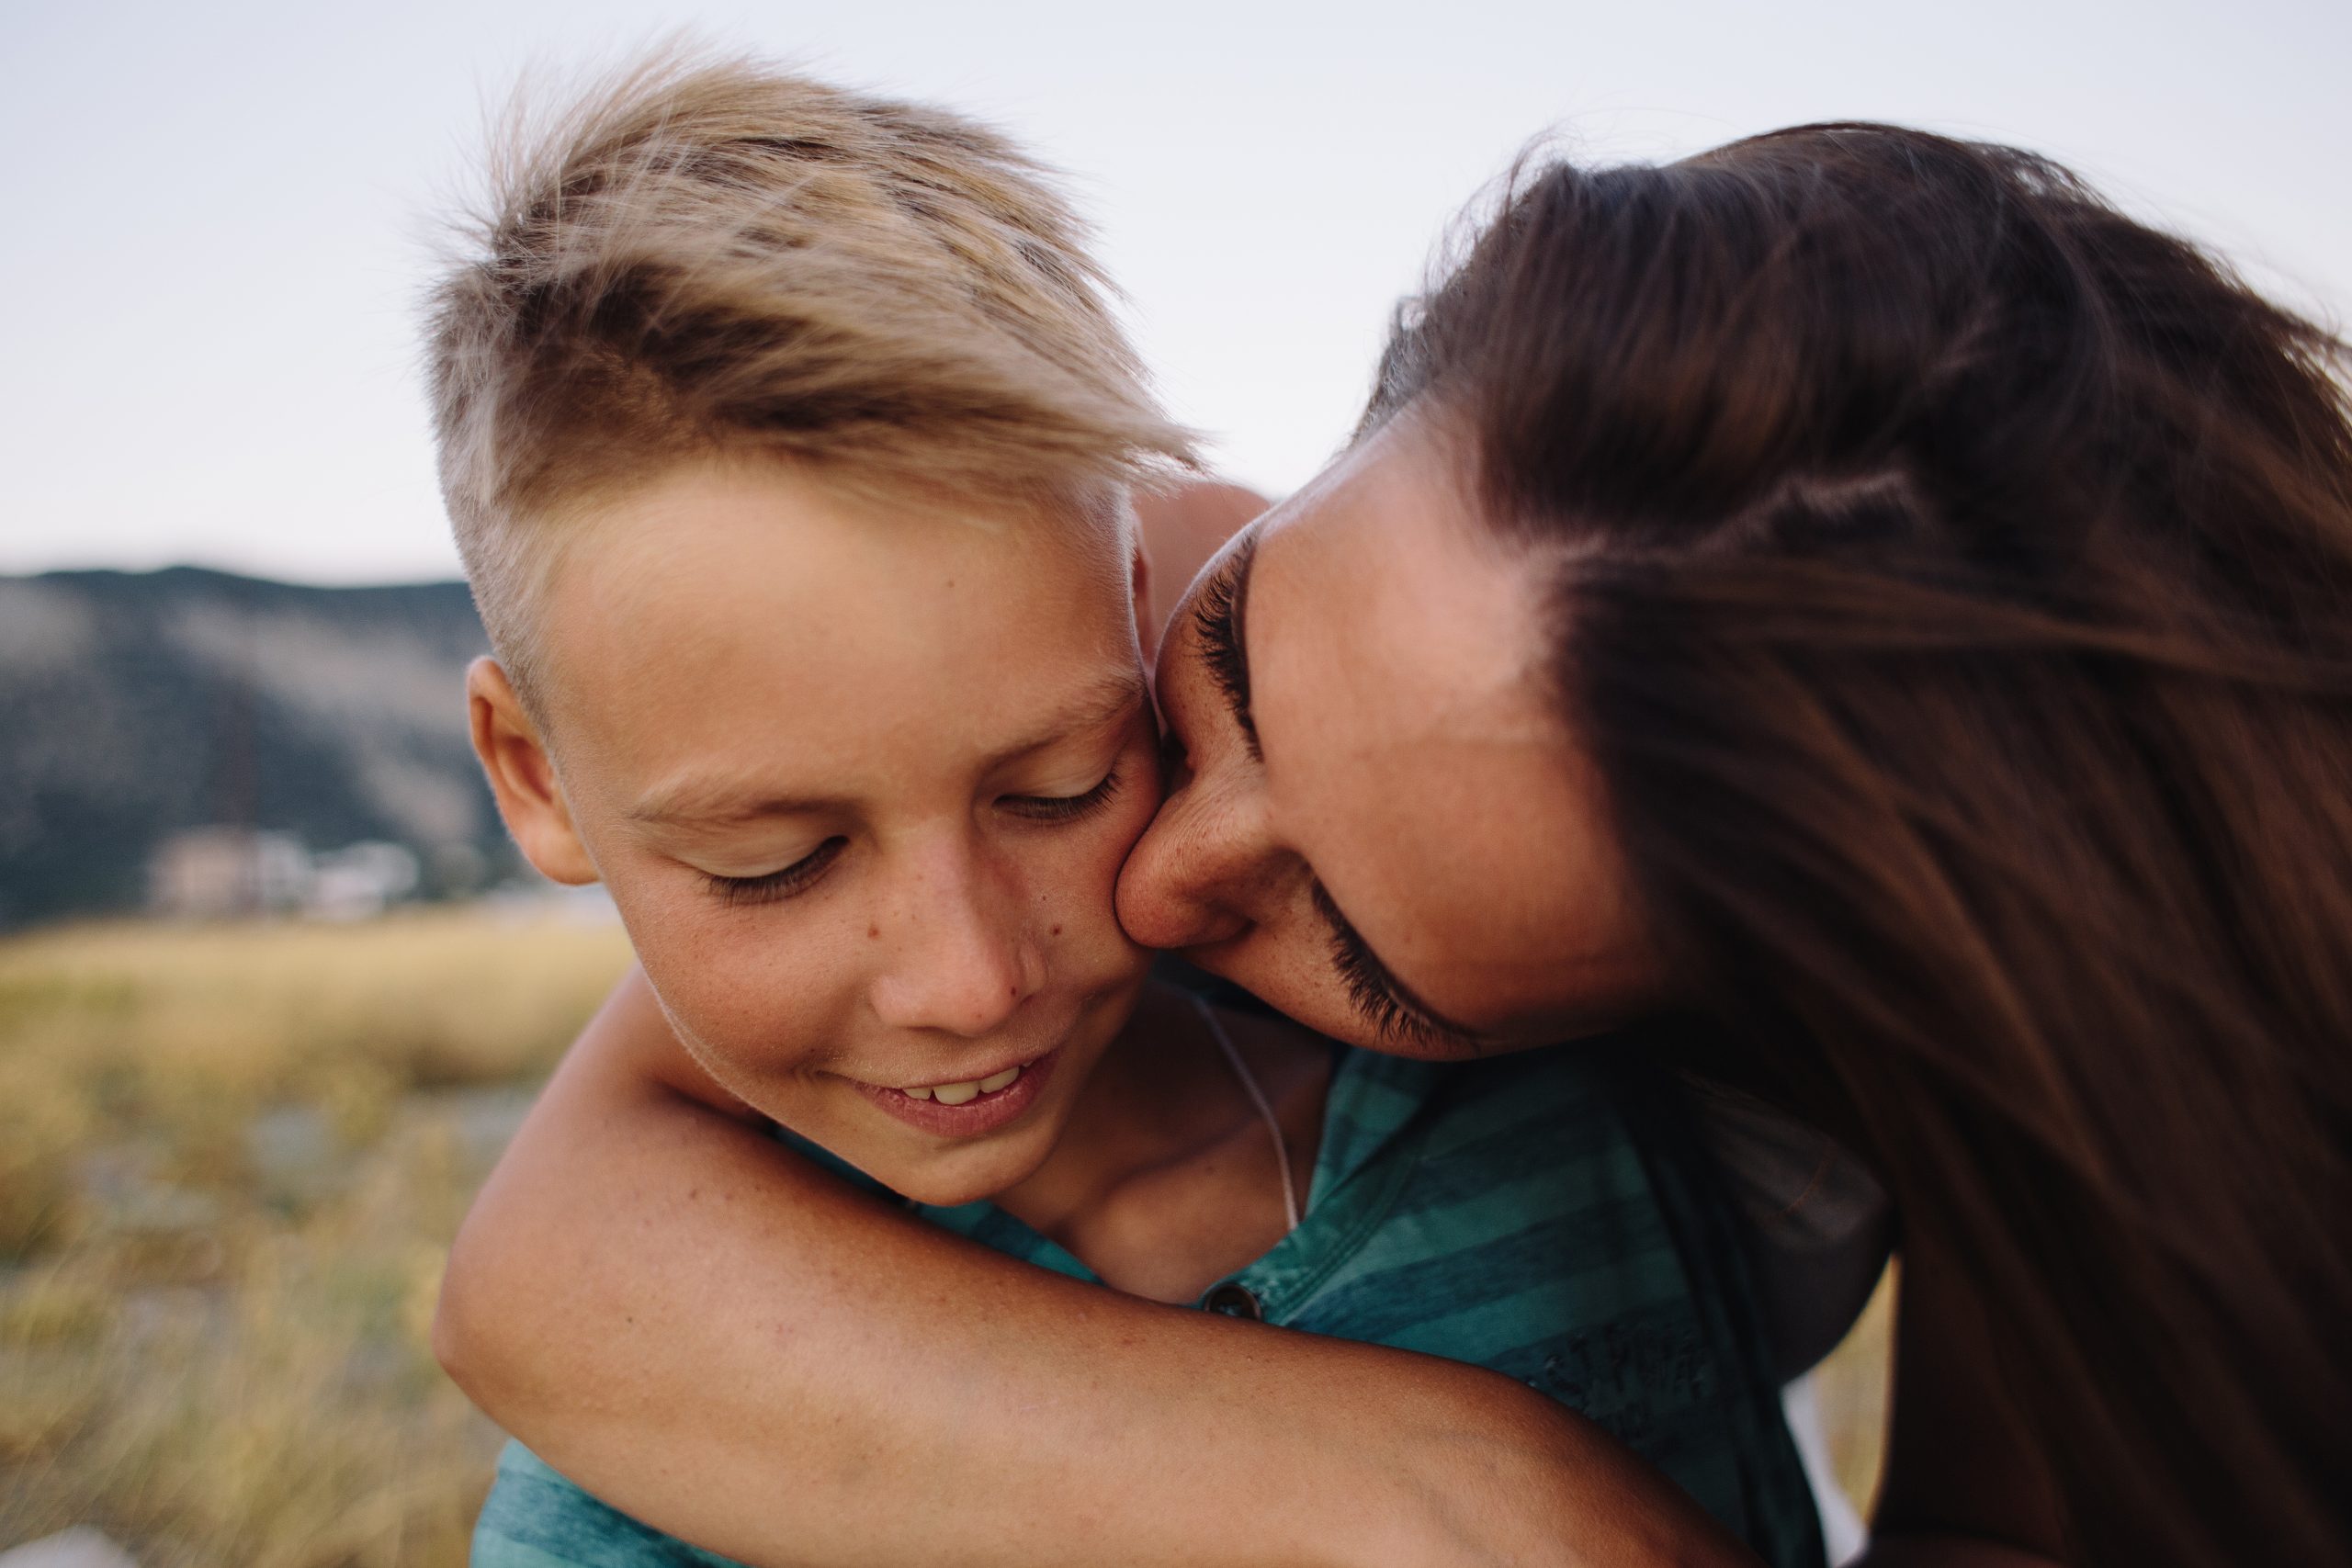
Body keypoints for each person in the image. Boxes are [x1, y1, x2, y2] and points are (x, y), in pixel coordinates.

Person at [438, 117, 2352, 1566]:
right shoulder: (1051, 581)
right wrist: (1453, 1494)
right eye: (1208, 679)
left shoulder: (2042, 1100)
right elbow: (546, 1266)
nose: (1138, 887)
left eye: (1359, 945)